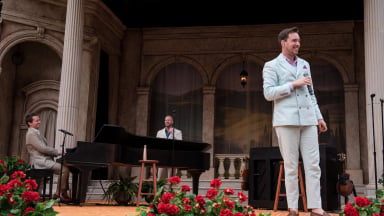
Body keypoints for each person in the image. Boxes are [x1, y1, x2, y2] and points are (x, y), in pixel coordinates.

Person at [262, 27, 328, 216]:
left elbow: (311, 93)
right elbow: (268, 93)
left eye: (299, 40)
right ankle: (293, 208)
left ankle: (316, 207)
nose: (298, 44)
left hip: (308, 121)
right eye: (294, 41)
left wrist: (319, 117)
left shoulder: (305, 64)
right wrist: (293, 84)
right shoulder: (271, 65)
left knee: (313, 164)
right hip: (286, 121)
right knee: (291, 165)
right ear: (284, 43)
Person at [25, 113, 71, 203]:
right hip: (40, 162)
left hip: (45, 160)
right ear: (29, 123)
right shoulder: (31, 134)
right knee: (64, 169)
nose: (39, 122)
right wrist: (58, 152)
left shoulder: (35, 132)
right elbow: (42, 148)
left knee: (65, 169)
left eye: (39, 120)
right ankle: (59, 193)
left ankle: (63, 192)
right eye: (37, 120)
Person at [156, 115, 182, 179]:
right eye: (165, 120)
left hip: (172, 157)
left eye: (168, 120)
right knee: (160, 178)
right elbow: (157, 144)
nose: (167, 121)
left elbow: (180, 144)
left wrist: (173, 134)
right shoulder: (159, 132)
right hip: (162, 157)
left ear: (172, 122)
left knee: (172, 178)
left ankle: (171, 189)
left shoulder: (178, 132)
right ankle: (161, 189)